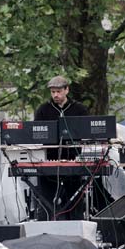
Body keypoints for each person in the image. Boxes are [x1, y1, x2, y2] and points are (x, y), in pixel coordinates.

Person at [33, 75, 89, 220]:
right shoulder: (43, 110)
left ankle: (75, 227)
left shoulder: (79, 109)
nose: (55, 95)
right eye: (53, 92)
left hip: (73, 159)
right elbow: (36, 133)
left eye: (58, 91)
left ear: (67, 90)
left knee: (74, 200)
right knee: (46, 199)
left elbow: (86, 133)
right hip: (49, 160)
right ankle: (47, 228)